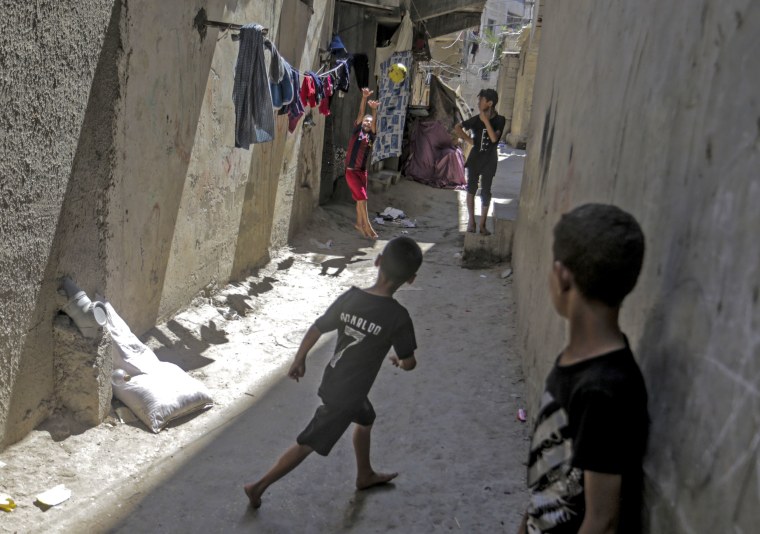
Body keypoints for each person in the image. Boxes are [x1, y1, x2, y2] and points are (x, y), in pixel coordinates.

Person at [244, 236, 424, 509]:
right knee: (308, 442)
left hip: (337, 379)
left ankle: (364, 474)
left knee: (366, 418)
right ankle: (258, 486)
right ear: (411, 279)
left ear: (377, 262)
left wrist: (299, 358)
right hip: (346, 395)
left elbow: (317, 327)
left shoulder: (351, 297)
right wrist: (400, 362)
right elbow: (409, 362)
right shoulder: (398, 317)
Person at [518, 204, 649, 534]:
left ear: (562, 276)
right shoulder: (577, 361)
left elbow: (602, 522)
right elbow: (550, 483)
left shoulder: (603, 390)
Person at [454, 88, 506, 235]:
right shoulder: (476, 119)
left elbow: (494, 138)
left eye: (481, 100)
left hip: (489, 160)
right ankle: (472, 221)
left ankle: (482, 224)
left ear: (489, 103)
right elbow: (457, 127)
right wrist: (469, 140)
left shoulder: (500, 120)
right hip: (475, 158)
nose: (478, 103)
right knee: (471, 189)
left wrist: (485, 121)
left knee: (486, 191)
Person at [345, 87, 380, 239]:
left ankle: (359, 223)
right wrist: (364, 98)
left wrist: (373, 111)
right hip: (351, 171)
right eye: (366, 120)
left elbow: (374, 124)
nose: (367, 122)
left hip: (362, 172)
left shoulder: (371, 136)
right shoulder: (357, 131)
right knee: (363, 198)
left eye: (369, 122)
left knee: (360, 200)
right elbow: (360, 113)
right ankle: (368, 226)